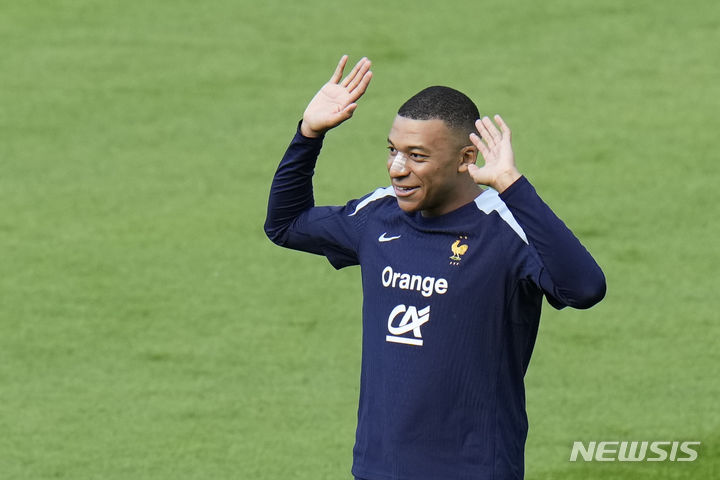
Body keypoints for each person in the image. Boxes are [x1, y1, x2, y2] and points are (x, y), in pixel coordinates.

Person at [264, 55, 606, 480]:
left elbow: (585, 288)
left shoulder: (503, 227)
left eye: (416, 155)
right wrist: (309, 133)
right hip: (378, 467)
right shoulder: (378, 216)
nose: (397, 168)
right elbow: (286, 225)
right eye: (392, 150)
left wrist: (512, 187)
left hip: (474, 469)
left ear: (466, 157)